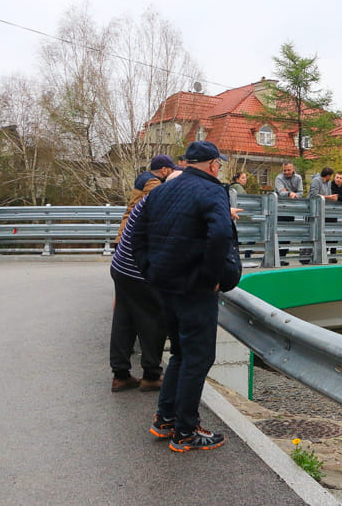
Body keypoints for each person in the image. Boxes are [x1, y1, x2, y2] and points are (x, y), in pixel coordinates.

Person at [131, 140, 235, 452]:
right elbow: (219, 234)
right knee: (198, 357)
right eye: (220, 164)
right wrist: (211, 277)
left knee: (179, 352)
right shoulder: (213, 190)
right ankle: (185, 432)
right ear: (213, 165)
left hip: (164, 285)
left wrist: (150, 270)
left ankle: (165, 420)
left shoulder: (161, 189)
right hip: (194, 289)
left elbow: (137, 233)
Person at [109, 170, 182, 393]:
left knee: (124, 319)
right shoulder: (166, 206)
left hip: (121, 266)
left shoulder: (149, 200)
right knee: (154, 319)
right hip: (138, 270)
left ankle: (120, 375)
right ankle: (151, 375)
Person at [115, 154, 178, 243]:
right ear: (164, 170)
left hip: (127, 228)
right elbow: (156, 207)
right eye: (172, 170)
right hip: (132, 233)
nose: (173, 173)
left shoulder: (144, 177)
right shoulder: (153, 182)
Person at [275, 162, 303, 265]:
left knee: (288, 234)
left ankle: (282, 257)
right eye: (284, 170)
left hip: (291, 209)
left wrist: (294, 194)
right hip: (279, 209)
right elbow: (281, 193)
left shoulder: (298, 178)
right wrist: (290, 193)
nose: (286, 172)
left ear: (293, 169)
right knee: (279, 234)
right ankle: (277, 257)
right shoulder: (279, 178)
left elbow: (301, 193)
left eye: (288, 170)